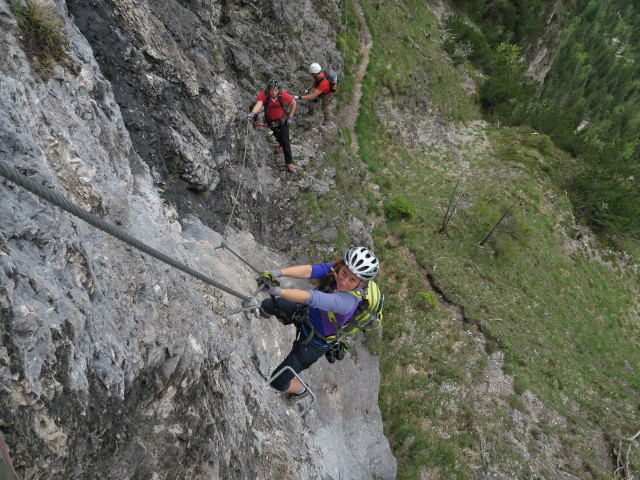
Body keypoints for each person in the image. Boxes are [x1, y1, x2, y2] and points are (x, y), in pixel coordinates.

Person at [257, 247, 379, 404]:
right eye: (344, 273)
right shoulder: (335, 269)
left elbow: (313, 297)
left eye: (352, 280)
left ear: (361, 283)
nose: (344, 281)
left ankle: (300, 390)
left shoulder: (348, 302)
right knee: (267, 305)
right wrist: (276, 273)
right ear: (342, 266)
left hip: (314, 343)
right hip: (305, 314)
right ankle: (262, 314)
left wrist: (277, 290)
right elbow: (311, 271)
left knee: (278, 381)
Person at [248, 78, 297, 172]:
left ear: (278, 89)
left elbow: (293, 103)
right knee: (277, 136)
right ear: (268, 89)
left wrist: (290, 117)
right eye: (272, 90)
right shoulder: (263, 95)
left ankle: (289, 162)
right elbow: (259, 104)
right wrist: (253, 113)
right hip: (270, 122)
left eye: (275, 90)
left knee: (286, 142)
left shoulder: (283, 95)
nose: (274, 92)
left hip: (283, 122)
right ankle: (280, 144)